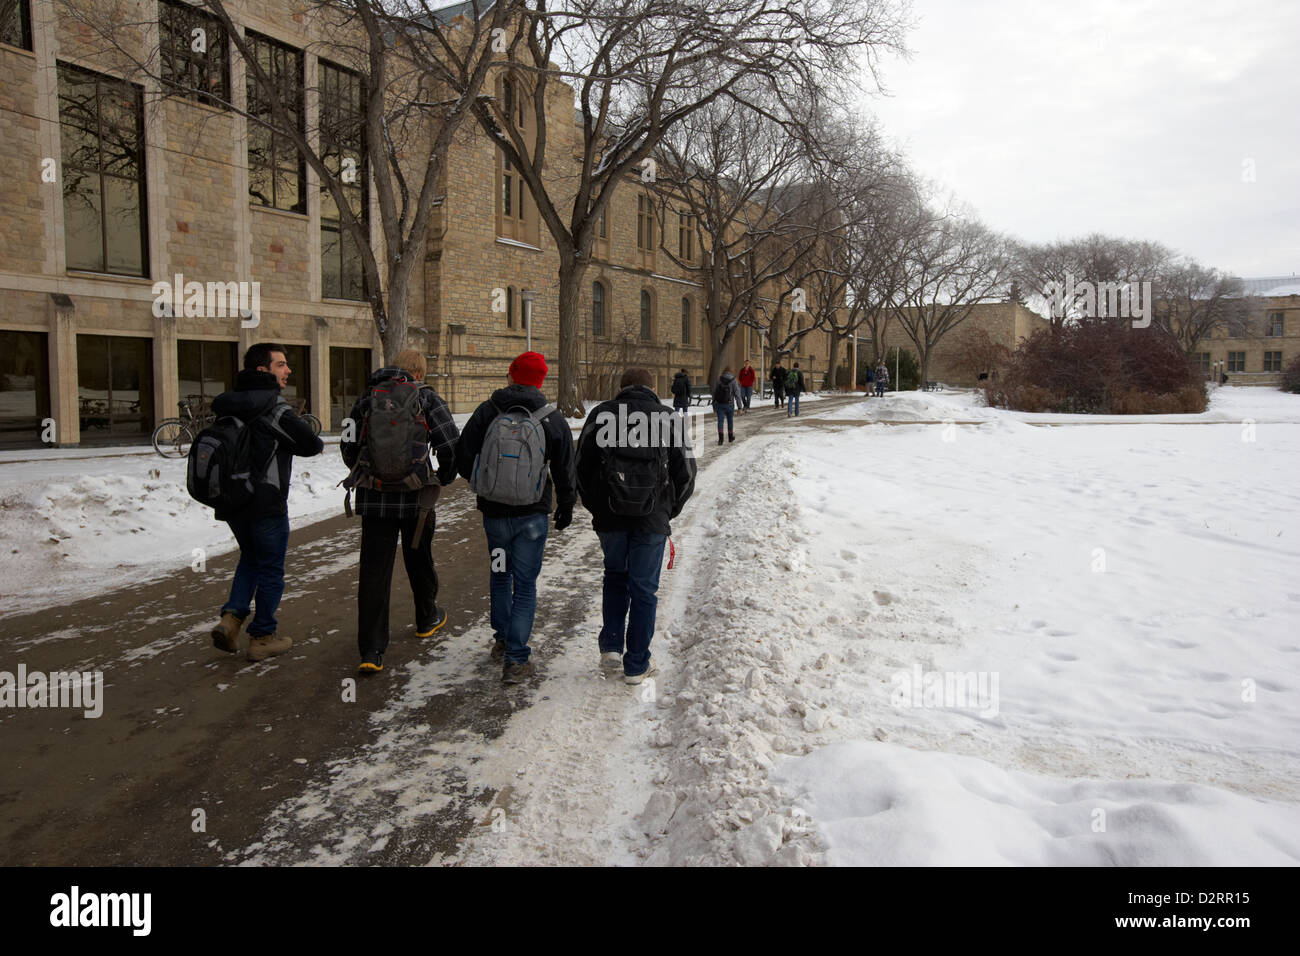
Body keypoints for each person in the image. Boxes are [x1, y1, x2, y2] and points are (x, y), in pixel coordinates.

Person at [455, 351, 577, 684]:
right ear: (541, 380)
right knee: (524, 584)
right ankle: (517, 659)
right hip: (532, 516)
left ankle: (502, 639)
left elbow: (462, 455)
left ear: (511, 375)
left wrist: (482, 482)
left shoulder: (488, 410)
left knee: (499, 573)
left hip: (494, 514)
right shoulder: (551, 417)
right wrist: (566, 504)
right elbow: (566, 467)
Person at [340, 350, 459, 674]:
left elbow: (348, 443)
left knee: (374, 570)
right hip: (417, 496)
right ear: (419, 372)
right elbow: (450, 444)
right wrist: (443, 477)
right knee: (419, 557)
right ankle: (426, 617)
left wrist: (366, 469)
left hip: (375, 497)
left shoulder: (367, 398)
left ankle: (372, 649)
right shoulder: (428, 398)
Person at [576, 368, 696, 684]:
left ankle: (612, 647)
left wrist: (598, 507)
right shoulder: (669, 418)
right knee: (644, 589)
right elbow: (687, 475)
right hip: (651, 520)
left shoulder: (601, 415)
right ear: (653, 386)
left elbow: (581, 469)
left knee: (615, 576)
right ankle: (637, 664)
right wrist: (667, 511)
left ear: (621, 387)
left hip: (610, 518)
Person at [209, 343, 324, 662]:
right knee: (271, 567)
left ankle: (231, 619)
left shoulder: (226, 404)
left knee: (250, 556)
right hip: (266, 501)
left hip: (232, 501)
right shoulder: (275, 407)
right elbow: (312, 444)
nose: (288, 371)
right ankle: (262, 636)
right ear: (263, 370)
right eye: (281, 365)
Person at [712, 365, 743, 444]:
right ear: (731, 371)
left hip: (719, 404)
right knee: (730, 421)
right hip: (730, 404)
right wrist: (740, 407)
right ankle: (730, 437)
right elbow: (737, 394)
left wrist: (714, 406)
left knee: (720, 421)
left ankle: (721, 439)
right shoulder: (733, 380)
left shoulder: (718, 379)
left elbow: (714, 393)